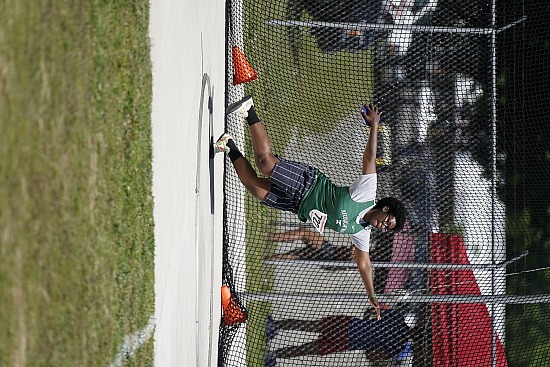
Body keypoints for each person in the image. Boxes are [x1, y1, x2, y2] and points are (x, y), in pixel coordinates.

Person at [214, 95, 406, 319]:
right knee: (265, 163)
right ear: (385, 209)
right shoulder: (367, 194)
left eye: (386, 228)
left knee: (255, 187)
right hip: (309, 183)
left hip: (299, 205)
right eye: (387, 221)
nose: (383, 226)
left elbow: (364, 264)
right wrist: (374, 126)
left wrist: (371, 295)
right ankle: (249, 110)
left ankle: (229, 146)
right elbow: (370, 158)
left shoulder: (361, 232)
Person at [264, 308, 411, 363]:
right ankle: (273, 354)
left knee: (310, 326)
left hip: (349, 325)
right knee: (309, 348)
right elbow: (372, 357)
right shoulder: (399, 347)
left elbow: (372, 311)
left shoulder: (398, 318)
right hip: (349, 341)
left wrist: (370, 324)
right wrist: (370, 343)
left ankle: (275, 326)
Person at [267, 227, 354, 261]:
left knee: (304, 233)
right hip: (331, 254)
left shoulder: (365, 260)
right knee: (296, 255)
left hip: (331, 256)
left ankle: (271, 237)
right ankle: (268, 259)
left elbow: (352, 255)